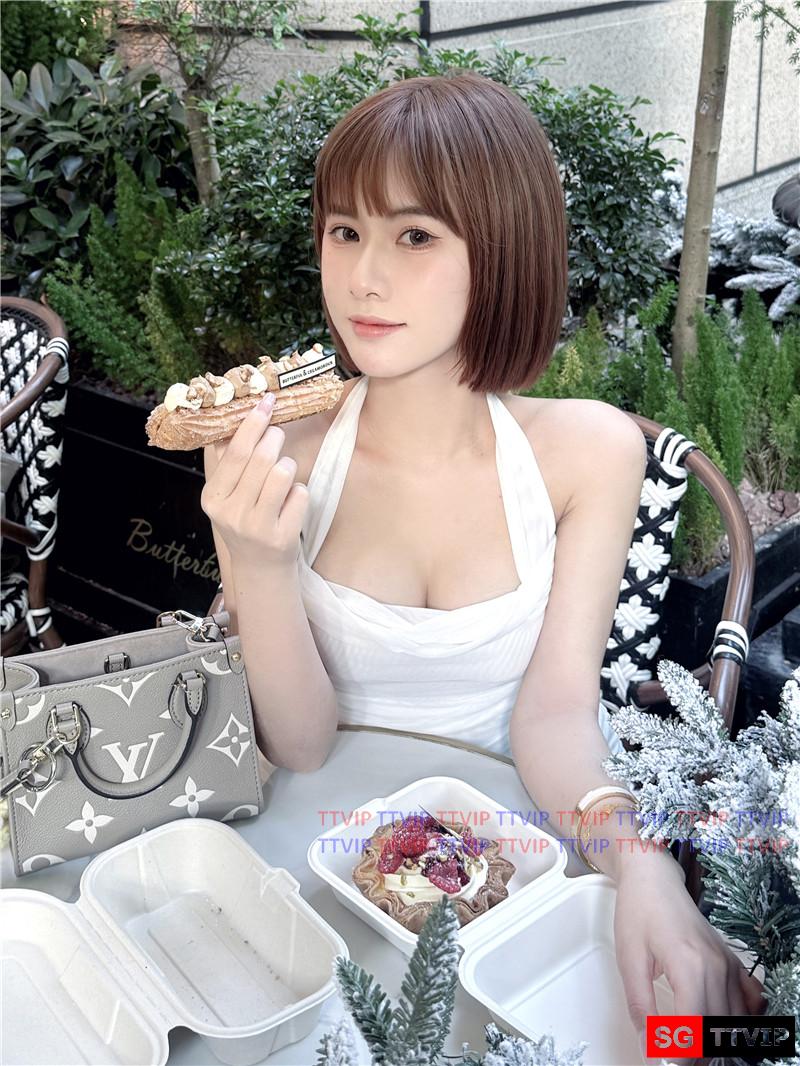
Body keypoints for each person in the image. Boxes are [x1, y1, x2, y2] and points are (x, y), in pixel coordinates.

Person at [201, 72, 764, 1055]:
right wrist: (254, 561)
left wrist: (644, 867)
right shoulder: (275, 448)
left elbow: (555, 715)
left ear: (502, 250)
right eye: (344, 231)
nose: (362, 277)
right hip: (311, 829)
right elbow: (298, 743)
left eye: (415, 236)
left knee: (671, 1031)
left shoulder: (588, 452)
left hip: (519, 828)